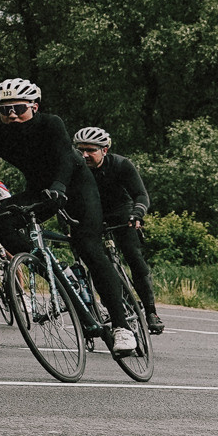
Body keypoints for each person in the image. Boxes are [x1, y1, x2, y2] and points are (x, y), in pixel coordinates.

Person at [0, 78, 137, 352]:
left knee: (88, 247)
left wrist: (59, 187)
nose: (11, 115)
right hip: (40, 191)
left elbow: (65, 159)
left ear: (34, 106)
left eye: (18, 108)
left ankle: (122, 327)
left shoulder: (51, 123)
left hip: (75, 185)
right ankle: (55, 272)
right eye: (4, 110)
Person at [78, 126, 162, 334]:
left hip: (121, 212)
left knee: (133, 256)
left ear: (104, 150)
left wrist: (137, 214)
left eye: (90, 150)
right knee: (97, 265)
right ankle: (114, 303)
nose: (84, 155)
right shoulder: (77, 168)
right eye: (80, 150)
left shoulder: (121, 164)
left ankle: (151, 311)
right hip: (92, 215)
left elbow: (141, 195)